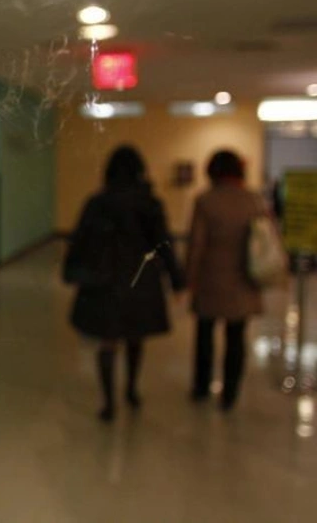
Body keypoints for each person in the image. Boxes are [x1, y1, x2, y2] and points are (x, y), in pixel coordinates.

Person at [63, 146, 184, 421]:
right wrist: (177, 281)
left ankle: (108, 403)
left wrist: (71, 270)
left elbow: (79, 240)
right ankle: (131, 389)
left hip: (105, 281)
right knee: (135, 337)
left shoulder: (98, 202)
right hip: (141, 280)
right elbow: (164, 244)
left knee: (108, 341)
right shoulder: (150, 203)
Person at [186, 150, 266, 411]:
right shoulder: (254, 200)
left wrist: (190, 278)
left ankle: (201, 387)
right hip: (245, 279)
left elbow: (196, 245)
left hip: (211, 278)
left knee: (205, 334)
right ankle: (230, 394)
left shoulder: (206, 201)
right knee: (236, 337)